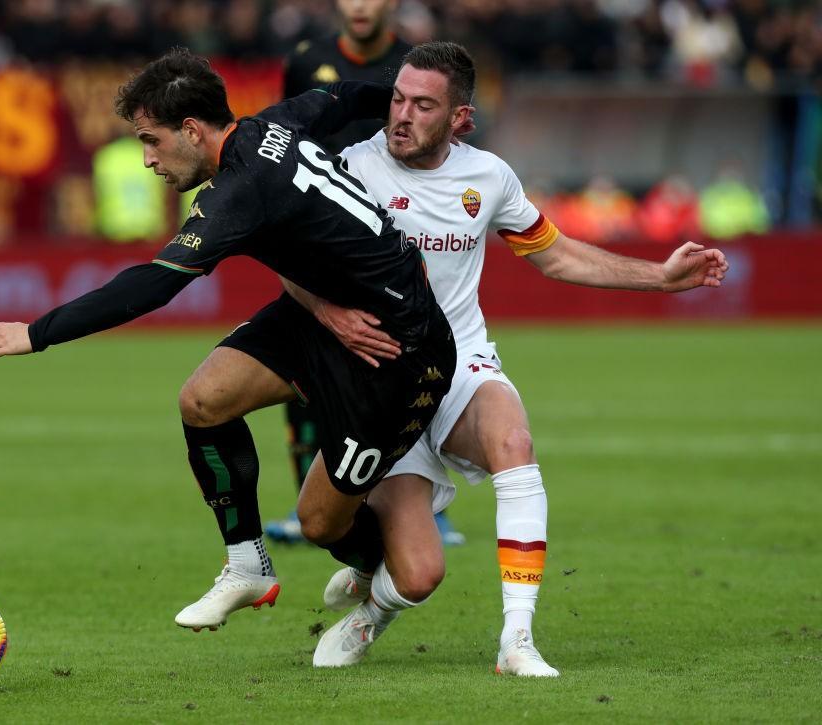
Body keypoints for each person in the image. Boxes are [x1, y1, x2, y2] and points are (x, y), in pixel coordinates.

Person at [0, 48, 457, 633]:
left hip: (397, 354)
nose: (147, 159)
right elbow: (340, 99)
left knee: (323, 525)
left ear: (192, 131)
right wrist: (393, 103)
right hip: (325, 317)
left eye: (152, 140)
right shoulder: (273, 125)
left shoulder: (238, 191)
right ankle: (248, 566)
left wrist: (36, 333)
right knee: (203, 400)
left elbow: (153, 284)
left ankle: (378, 575)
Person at [278, 42, 728, 674]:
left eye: (422, 105)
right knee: (411, 570)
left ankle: (517, 641)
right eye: (397, 99)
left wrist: (660, 276)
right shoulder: (349, 170)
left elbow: (556, 254)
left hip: (460, 362)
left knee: (513, 439)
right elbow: (287, 257)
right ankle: (377, 603)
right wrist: (330, 316)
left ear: (460, 118)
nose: (401, 115)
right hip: (379, 379)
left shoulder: (488, 178)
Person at [268, 0, 466, 547]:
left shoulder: (414, 64)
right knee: (308, 370)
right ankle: (305, 498)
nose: (359, 5)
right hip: (320, 230)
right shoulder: (307, 59)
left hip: (393, 228)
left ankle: (424, 502)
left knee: (409, 364)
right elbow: (285, 134)